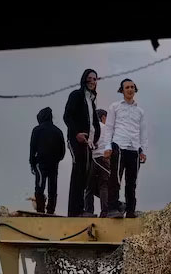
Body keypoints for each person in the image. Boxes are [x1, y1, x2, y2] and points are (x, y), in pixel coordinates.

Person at [106, 78, 149, 218]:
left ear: (135, 89)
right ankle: (113, 209)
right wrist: (108, 146)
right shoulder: (115, 107)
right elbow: (109, 127)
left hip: (134, 149)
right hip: (119, 145)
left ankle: (130, 211)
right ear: (122, 90)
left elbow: (143, 132)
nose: (130, 89)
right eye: (127, 87)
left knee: (132, 182)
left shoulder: (140, 111)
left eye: (132, 87)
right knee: (115, 179)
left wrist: (143, 150)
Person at [63, 69, 101, 217]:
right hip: (76, 140)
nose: (92, 81)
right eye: (90, 78)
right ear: (84, 79)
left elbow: (94, 122)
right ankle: (74, 211)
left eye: (95, 79)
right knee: (78, 172)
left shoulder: (91, 100)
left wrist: (95, 138)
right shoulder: (76, 95)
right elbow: (67, 116)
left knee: (86, 174)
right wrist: (76, 133)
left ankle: (82, 210)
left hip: (89, 143)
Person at [83, 109, 122, 218]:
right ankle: (105, 211)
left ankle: (89, 211)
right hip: (105, 160)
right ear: (103, 117)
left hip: (94, 159)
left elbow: (89, 143)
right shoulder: (108, 130)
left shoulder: (92, 127)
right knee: (103, 186)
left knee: (89, 187)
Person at [29, 107, 65, 214]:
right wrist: (58, 159)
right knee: (52, 187)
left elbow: (32, 148)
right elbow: (62, 150)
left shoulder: (37, 130)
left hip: (40, 163)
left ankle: (40, 210)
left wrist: (32, 163)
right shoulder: (58, 131)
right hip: (54, 163)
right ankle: (51, 210)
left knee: (40, 186)